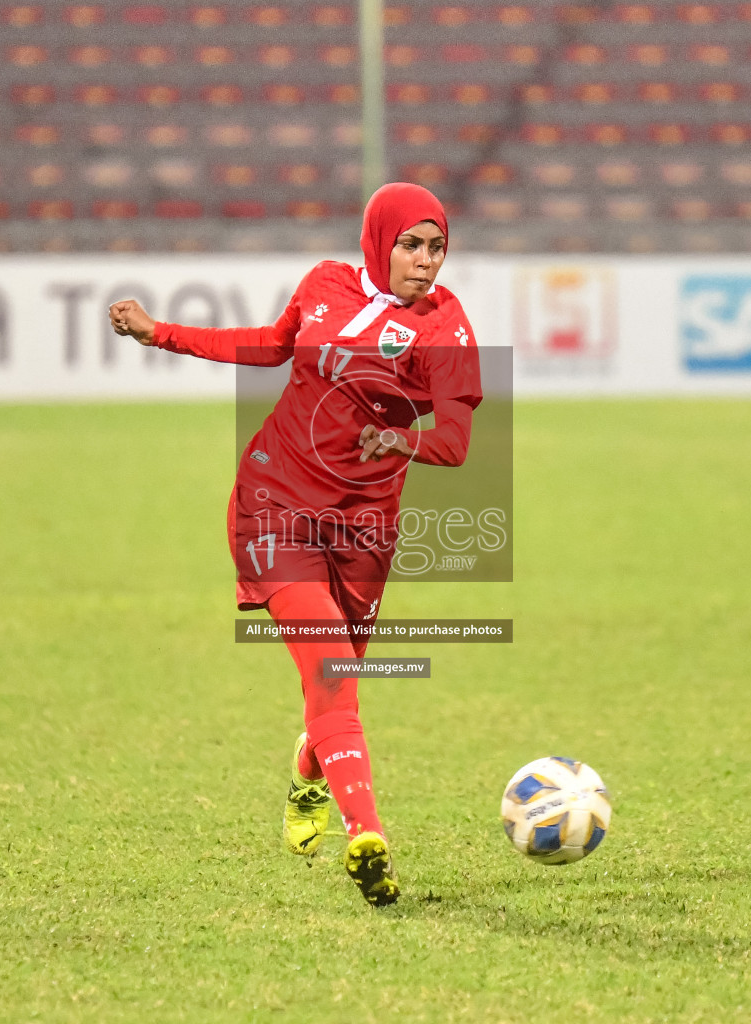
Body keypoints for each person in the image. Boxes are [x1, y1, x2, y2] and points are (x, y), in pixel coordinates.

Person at [108, 182, 482, 907]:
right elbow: (272, 345)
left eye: (437, 247)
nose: (426, 262)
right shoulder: (323, 285)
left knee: (334, 688)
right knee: (334, 680)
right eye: (411, 244)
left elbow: (459, 445)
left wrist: (399, 437)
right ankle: (367, 836)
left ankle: (310, 773)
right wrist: (164, 333)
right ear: (379, 241)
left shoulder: (446, 327)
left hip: (365, 532)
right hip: (274, 510)